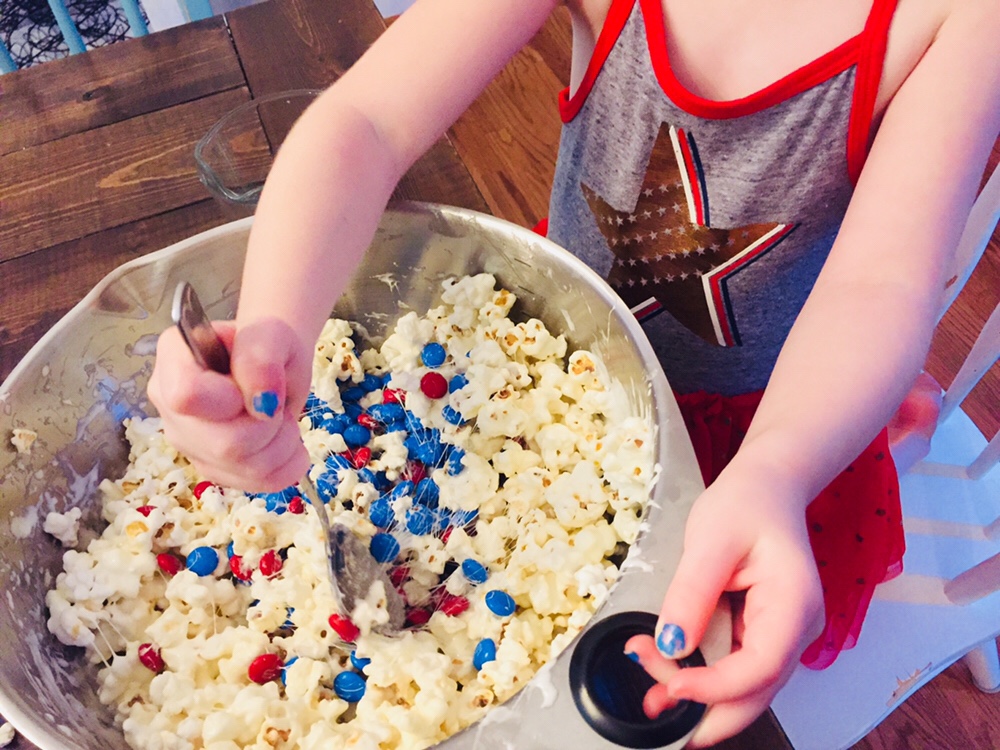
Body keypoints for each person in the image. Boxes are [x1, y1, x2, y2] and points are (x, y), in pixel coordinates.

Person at [148, 0, 1000, 745]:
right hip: (552, 387)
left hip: (765, 435)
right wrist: (272, 329)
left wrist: (777, 471)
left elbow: (878, 285)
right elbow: (368, 120)